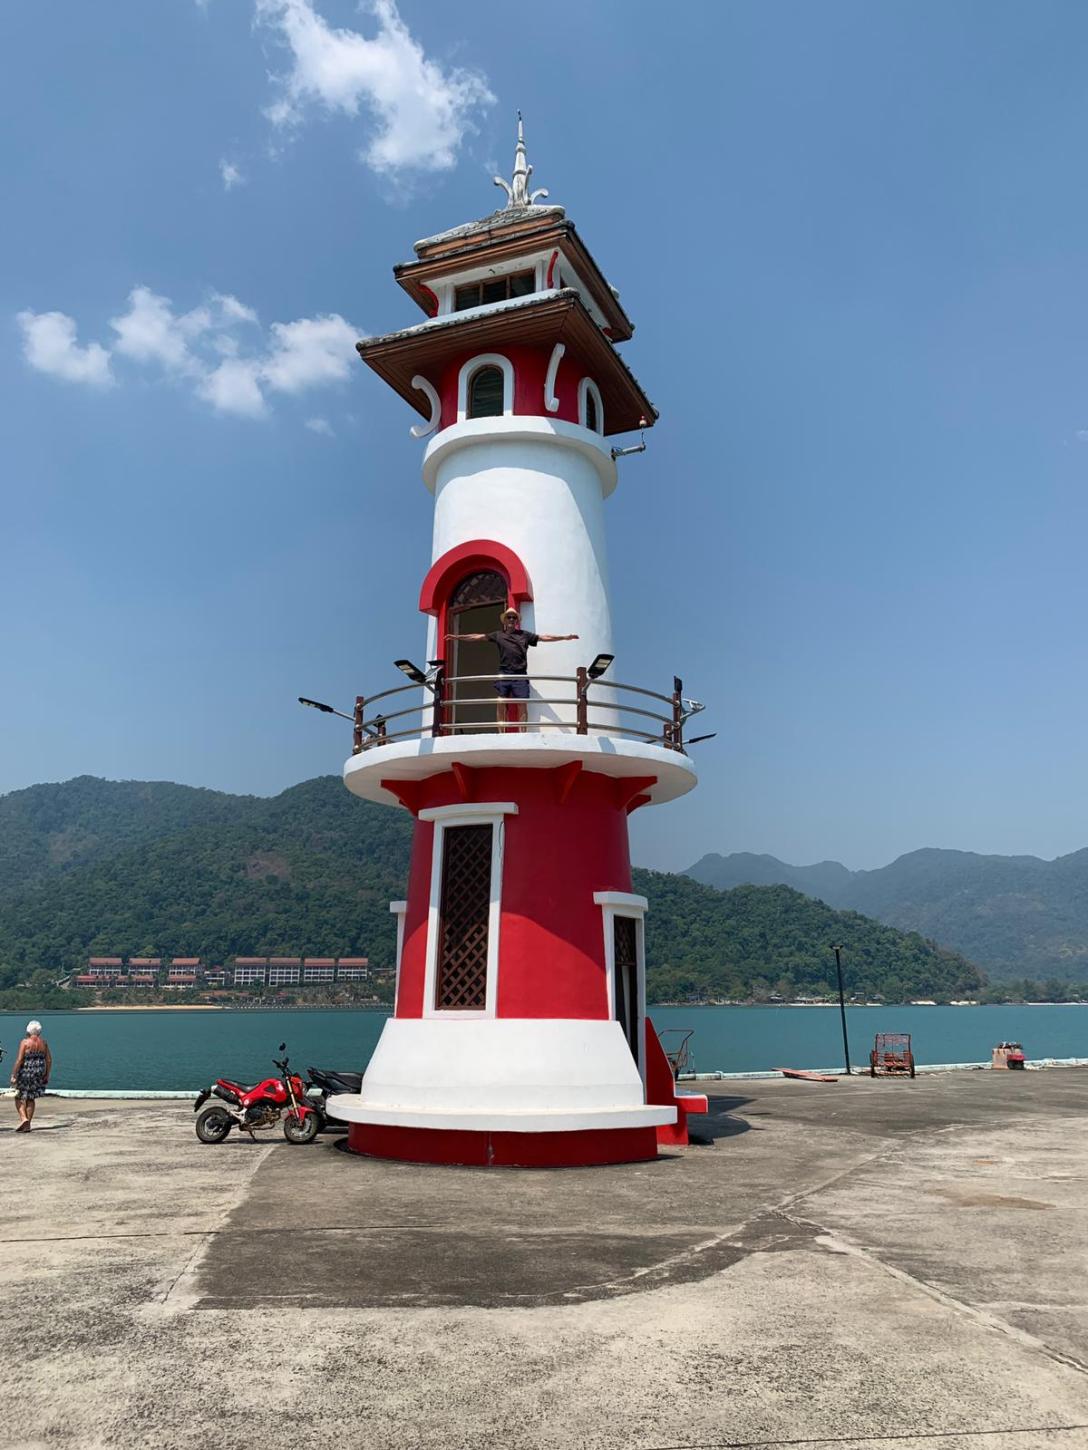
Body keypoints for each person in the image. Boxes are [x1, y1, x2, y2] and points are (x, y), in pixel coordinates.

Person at [446, 607, 578, 731]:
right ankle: (501, 733)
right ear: (504, 620)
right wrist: (457, 637)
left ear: (517, 621)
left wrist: (564, 637)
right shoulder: (498, 635)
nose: (511, 619)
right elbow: (478, 637)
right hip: (504, 673)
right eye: (509, 617)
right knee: (501, 702)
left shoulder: (524, 635)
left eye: (514, 618)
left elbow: (544, 637)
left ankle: (523, 732)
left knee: (522, 703)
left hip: (520, 674)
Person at [10, 1021, 51, 1132]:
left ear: (28, 1031)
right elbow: (48, 1060)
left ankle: (24, 1119)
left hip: (25, 1072)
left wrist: (14, 1074)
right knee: (30, 1098)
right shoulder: (44, 1043)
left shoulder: (25, 1042)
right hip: (38, 1072)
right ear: (39, 1031)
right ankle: (27, 1125)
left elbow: (19, 1060)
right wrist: (47, 1074)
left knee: (18, 1096)